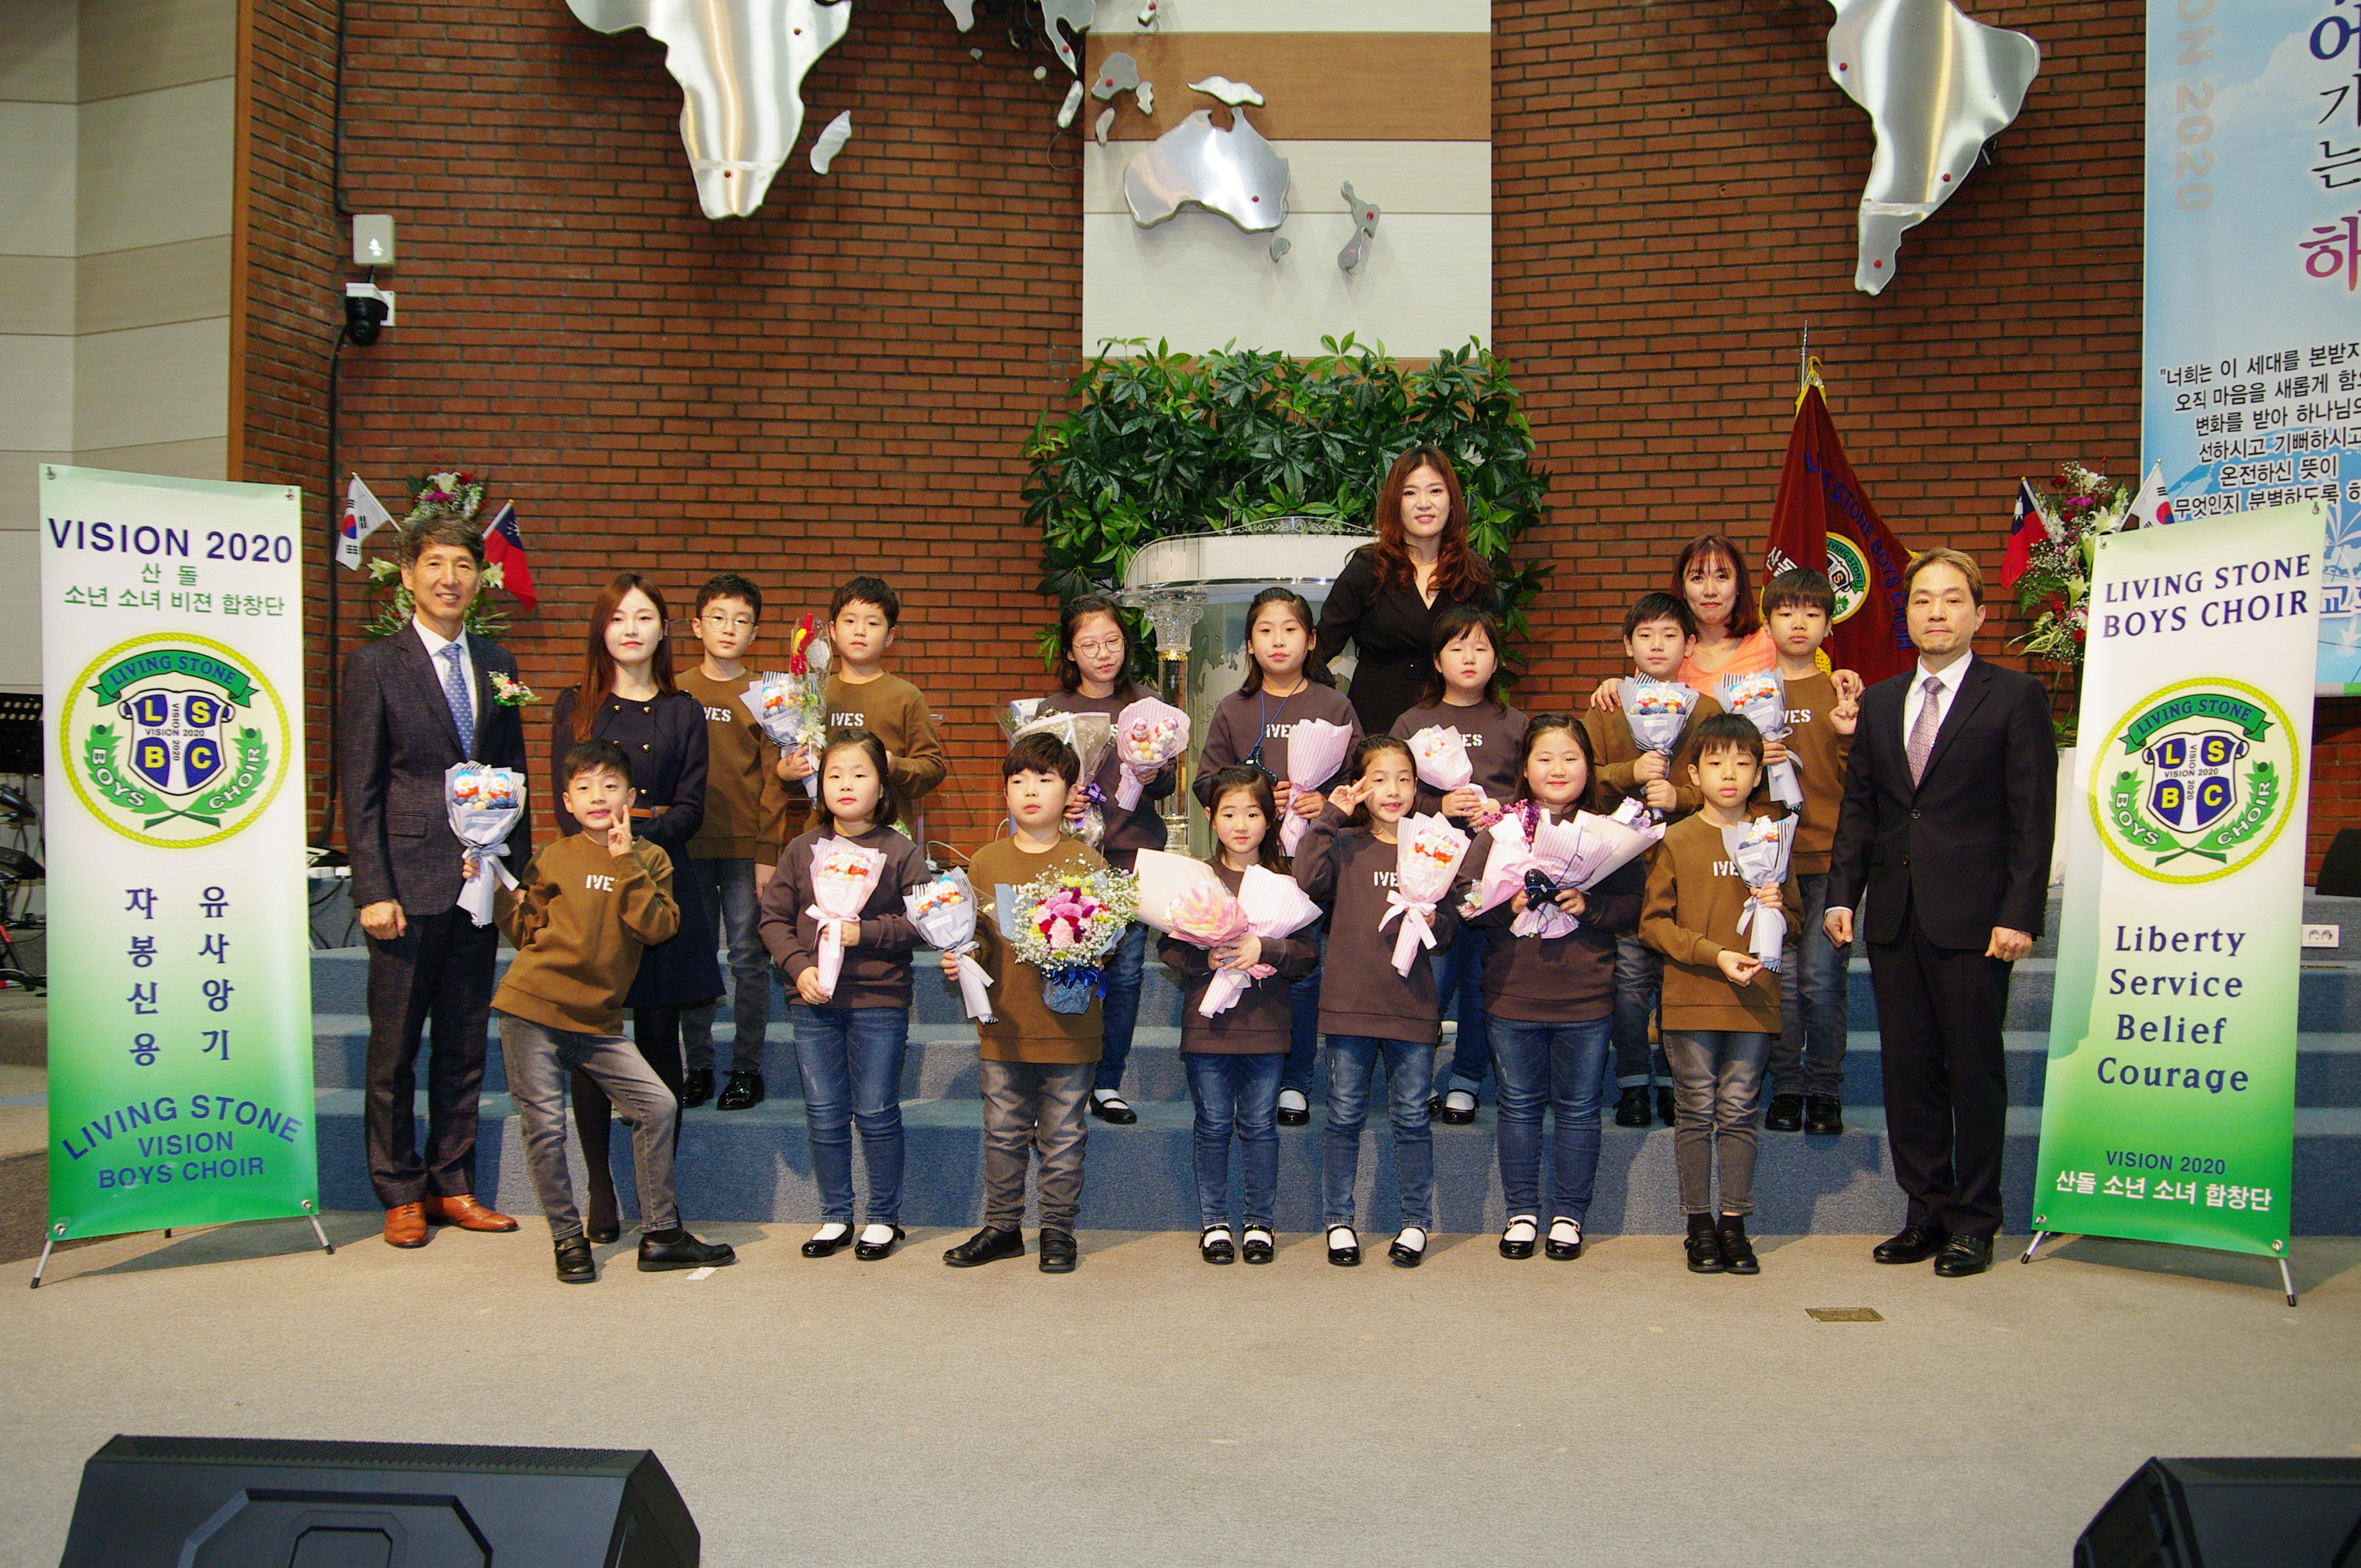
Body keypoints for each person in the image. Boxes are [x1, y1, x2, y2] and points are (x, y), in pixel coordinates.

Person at [1826, 548, 2056, 1279]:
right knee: (1909, 1070)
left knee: (1973, 1072)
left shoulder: (2015, 696)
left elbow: (2032, 817)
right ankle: (1925, 1211)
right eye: (1923, 599)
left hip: (1977, 921)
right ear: (1909, 614)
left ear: (1979, 614)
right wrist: (1842, 894)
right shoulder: (1883, 701)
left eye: (1952, 599)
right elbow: (1861, 808)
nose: (1936, 611)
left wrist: (2020, 912)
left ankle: (1975, 1221)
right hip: (1896, 916)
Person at [339, 513, 527, 1249]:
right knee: (394, 1050)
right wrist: (371, 889)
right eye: (436, 564)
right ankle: (399, 1190)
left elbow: (511, 778)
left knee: (463, 1043)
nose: (450, 579)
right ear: (410, 575)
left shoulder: (498, 662)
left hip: (477, 886)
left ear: (480, 579)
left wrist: (517, 877)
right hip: (404, 887)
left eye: (463, 565)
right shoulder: (375, 665)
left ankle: (452, 1182)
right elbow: (360, 789)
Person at [490, 739, 735, 1283]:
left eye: (609, 785)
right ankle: (566, 1238)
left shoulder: (652, 858)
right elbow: (525, 931)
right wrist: (489, 884)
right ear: (567, 802)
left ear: (631, 796)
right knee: (545, 1125)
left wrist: (625, 861)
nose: (597, 796)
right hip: (532, 1007)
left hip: (598, 1020)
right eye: (584, 787)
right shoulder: (552, 856)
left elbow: (658, 927)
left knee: (658, 1105)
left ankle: (661, 1234)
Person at [550, 574, 723, 1244]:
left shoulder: (684, 710)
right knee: (591, 1038)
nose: (630, 628)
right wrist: (607, 846)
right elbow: (564, 799)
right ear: (602, 628)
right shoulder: (576, 705)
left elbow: (691, 806)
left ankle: (660, 1202)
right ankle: (601, 1187)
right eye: (618, 616)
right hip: (592, 886)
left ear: (663, 630)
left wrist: (636, 843)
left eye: (644, 616)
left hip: (658, 877)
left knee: (659, 1036)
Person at [1471, 715, 1645, 1264]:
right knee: (1518, 1108)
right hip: (1513, 994)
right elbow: (1464, 902)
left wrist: (1589, 906)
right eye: (1544, 758)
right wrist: (1508, 904)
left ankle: (1570, 1214)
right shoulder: (1499, 832)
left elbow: (1634, 907)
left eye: (1571, 757)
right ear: (1525, 768)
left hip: (1586, 995)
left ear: (1589, 766)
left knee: (1579, 1109)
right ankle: (1522, 1212)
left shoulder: (1609, 834)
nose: (1558, 769)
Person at [939, 729, 1108, 1274]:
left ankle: (1058, 1229)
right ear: (1005, 791)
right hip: (1004, 1022)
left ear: (1071, 792)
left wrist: (1087, 943)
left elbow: (1106, 942)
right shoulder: (985, 862)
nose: (1030, 790)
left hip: (1069, 1026)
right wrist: (960, 956)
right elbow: (973, 935)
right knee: (1004, 1132)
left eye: (1045, 778)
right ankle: (1003, 1226)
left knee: (1063, 1135)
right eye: (1018, 780)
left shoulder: (1087, 863)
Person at [759, 728, 931, 1262]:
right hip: (813, 1001)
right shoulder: (802, 849)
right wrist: (798, 967)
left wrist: (867, 933)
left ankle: (883, 1217)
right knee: (824, 1111)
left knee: (876, 1110)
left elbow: (925, 922)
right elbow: (772, 920)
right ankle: (835, 1213)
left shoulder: (900, 851)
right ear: (820, 785)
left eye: (859, 773)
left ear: (882, 785)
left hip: (879, 1000)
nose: (846, 784)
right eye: (834, 774)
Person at [1295, 735, 1462, 1269]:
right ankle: (1338, 1221)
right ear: (1360, 787)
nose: (1393, 790)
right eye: (1380, 779)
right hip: (1351, 1001)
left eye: (1404, 779)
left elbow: (1453, 927)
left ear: (1417, 787)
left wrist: (1437, 920)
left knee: (1411, 1117)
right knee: (1344, 1114)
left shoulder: (1435, 843)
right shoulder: (1345, 844)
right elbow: (1306, 878)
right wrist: (1331, 815)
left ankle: (1415, 1221)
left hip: (1411, 1003)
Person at [1195, 586, 1361, 1127]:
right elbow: (1205, 781)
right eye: (1265, 631)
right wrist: (1256, 792)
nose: (1278, 641)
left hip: (1311, 862)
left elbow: (1363, 781)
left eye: (1290, 629)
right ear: (1249, 644)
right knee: (1249, 957)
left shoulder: (1333, 705)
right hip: (1249, 864)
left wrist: (1325, 800)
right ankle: (1248, 1061)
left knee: (1302, 969)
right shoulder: (1234, 708)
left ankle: (1296, 1080)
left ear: (1311, 640)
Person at [1639, 712, 1796, 1276]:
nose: (1729, 774)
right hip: (1692, 996)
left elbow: (1798, 922)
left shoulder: (1773, 835)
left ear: (1759, 773)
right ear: (1694, 773)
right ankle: (1699, 1225)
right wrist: (1713, 953)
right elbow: (1653, 925)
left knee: (1738, 1110)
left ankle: (1734, 1223)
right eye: (1715, 762)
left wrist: (1779, 907)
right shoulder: (1677, 838)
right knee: (1696, 1109)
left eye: (1743, 762)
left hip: (1755, 999)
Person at [1159, 766, 1319, 1265]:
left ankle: (1258, 1223)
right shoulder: (1196, 878)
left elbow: (1307, 954)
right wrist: (1204, 957)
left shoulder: (1288, 879)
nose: (1241, 824)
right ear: (1211, 817)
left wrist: (1265, 948)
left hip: (1266, 1023)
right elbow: (1168, 947)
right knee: (1212, 1123)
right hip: (1207, 1025)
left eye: (1253, 813)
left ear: (1270, 819)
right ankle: (1214, 1223)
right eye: (1229, 813)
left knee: (1259, 1125)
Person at [1583, 590, 1727, 1131]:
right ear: (1628, 645)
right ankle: (1632, 1083)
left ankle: (1673, 1082)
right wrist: (1631, 772)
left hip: (1686, 866)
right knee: (1627, 982)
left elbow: (1728, 784)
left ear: (1690, 644)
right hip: (1624, 869)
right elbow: (1583, 777)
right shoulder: (1607, 705)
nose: (1657, 645)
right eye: (1645, 635)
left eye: (1670, 635)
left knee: (1678, 979)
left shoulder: (1708, 710)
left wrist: (1681, 797)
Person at [1036, 594, 1175, 1127]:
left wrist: (1151, 772)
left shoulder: (1147, 702)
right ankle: (1063, 1077)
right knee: (1066, 965)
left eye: (1112, 641)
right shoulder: (1053, 710)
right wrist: (1060, 798)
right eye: (1089, 644)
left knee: (1127, 972)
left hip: (1131, 857)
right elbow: (1032, 779)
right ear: (1070, 652)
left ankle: (1108, 1080)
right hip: (1069, 860)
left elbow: (1166, 782)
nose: (1103, 653)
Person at [1389, 603, 1528, 1123]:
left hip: (1497, 878)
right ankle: (1417, 1077)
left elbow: (1537, 795)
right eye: (1457, 646)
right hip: (1431, 880)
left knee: (1480, 980)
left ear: (1496, 659)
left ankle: (1467, 1078)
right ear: (1437, 659)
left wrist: (1501, 810)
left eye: (1481, 647)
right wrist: (1437, 804)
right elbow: (1389, 793)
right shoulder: (1413, 722)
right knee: (1429, 978)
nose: (1470, 657)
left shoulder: (1516, 724)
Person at [675, 573, 791, 1112]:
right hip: (686, 845)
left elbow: (774, 779)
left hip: (746, 849)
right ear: (696, 626)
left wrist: (768, 853)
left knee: (748, 958)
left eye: (741, 621)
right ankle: (697, 1065)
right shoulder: (675, 689)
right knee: (693, 955)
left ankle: (746, 1069)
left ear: (754, 633)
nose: (729, 628)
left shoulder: (767, 695)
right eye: (718, 618)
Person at [1754, 569, 1862, 1137]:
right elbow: (1727, 782)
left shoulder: (1841, 693)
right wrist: (1754, 758)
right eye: (1786, 612)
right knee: (1782, 984)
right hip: (1769, 865)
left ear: (1828, 625)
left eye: (1813, 613)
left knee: (1821, 982)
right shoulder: (1748, 693)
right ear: (1767, 622)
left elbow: (1861, 782)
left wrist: (1846, 736)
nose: (1799, 623)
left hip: (1827, 862)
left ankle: (1824, 1089)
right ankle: (1787, 1087)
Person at [1315, 446, 1500, 737]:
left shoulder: (1474, 574)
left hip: (1455, 727)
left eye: (1435, 491)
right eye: (1410, 493)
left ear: (1452, 501)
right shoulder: (1368, 568)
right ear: (1395, 503)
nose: (1424, 503)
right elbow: (1320, 648)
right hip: (1377, 726)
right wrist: (1325, 708)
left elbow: (1488, 658)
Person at [782, 575, 948, 836]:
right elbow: (795, 775)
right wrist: (789, 772)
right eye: (850, 621)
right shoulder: (812, 694)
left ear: (890, 636)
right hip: (823, 836)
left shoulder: (906, 696)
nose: (860, 631)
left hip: (887, 837)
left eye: (872, 623)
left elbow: (933, 768)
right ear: (832, 630)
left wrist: (895, 766)